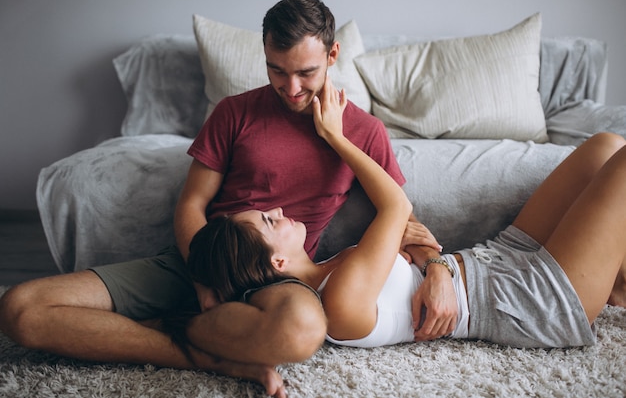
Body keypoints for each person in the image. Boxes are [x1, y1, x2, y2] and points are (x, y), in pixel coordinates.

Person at [0, 0, 442, 397]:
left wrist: (436, 269)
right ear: (265, 55)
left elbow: (402, 218)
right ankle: (213, 357)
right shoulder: (235, 112)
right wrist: (204, 281)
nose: (291, 89)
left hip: (276, 276)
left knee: (302, 332)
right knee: (20, 309)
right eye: (277, 70)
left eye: (306, 73)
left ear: (332, 55)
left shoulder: (364, 132)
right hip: (197, 259)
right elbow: (192, 204)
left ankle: (166, 333)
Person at [188, 78, 626, 350]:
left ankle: (618, 282)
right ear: (277, 262)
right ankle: (613, 280)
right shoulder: (338, 302)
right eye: (268, 222)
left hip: (496, 256)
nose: (279, 210)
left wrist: (433, 265)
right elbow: (398, 207)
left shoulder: (334, 269)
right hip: (528, 301)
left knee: (605, 144)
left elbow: (411, 230)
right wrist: (335, 137)